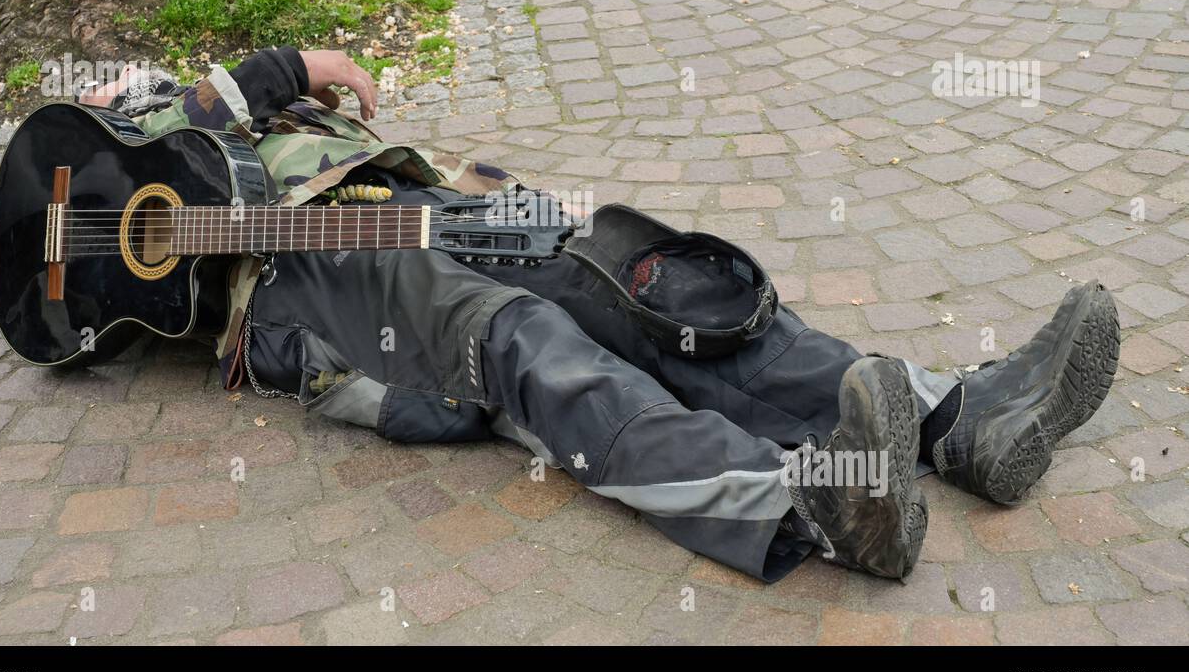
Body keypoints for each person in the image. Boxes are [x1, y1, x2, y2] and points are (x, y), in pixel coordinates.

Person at [80, 47, 1121, 582]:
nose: (132, 83)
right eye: (116, 92)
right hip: (305, 281)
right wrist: (287, 70)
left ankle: (956, 419)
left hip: (416, 204)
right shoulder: (131, 157)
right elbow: (142, 172)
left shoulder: (209, 122)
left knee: (644, 283)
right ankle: (806, 507)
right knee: (530, 349)